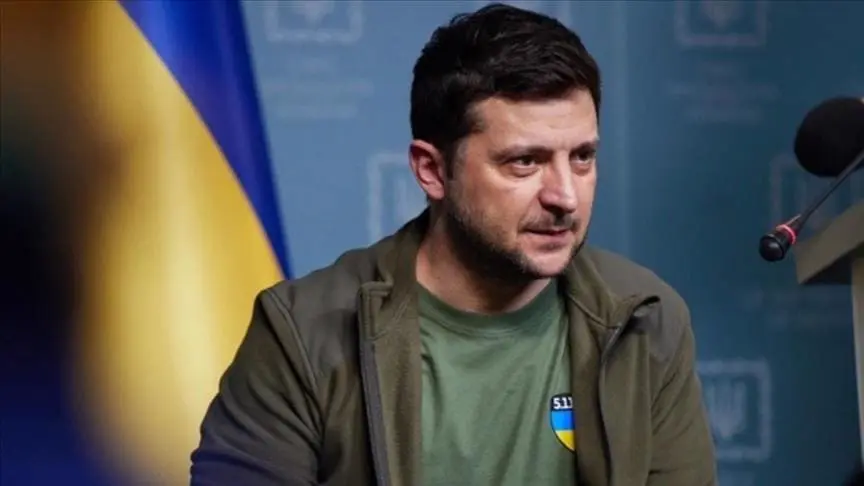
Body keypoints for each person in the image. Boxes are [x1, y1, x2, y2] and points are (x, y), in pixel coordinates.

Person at [190, 3, 717, 485]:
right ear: (432, 170)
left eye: (582, 157)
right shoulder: (303, 331)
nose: (565, 196)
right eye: (525, 162)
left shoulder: (645, 318)